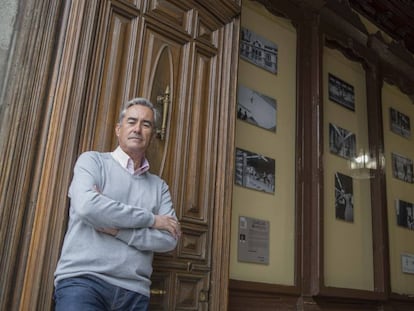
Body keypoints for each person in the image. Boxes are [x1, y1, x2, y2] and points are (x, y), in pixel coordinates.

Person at [54, 97, 181, 311]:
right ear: (118, 129)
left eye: (146, 124)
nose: (138, 129)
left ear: (152, 134)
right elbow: (88, 207)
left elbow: (169, 239)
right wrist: (151, 219)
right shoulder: (92, 162)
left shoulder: (159, 186)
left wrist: (118, 231)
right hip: (83, 282)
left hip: (134, 293)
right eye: (131, 122)